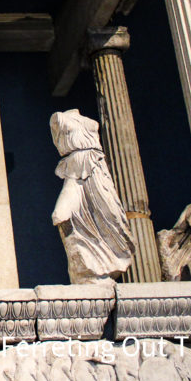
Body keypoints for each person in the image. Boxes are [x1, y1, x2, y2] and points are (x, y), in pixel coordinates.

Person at [50, 109, 134, 284]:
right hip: (77, 164)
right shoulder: (59, 119)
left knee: (113, 216)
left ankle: (105, 261)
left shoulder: (85, 120)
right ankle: (85, 265)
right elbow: (59, 214)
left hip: (98, 165)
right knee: (61, 214)